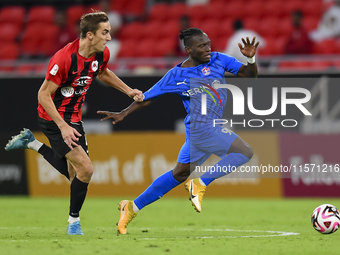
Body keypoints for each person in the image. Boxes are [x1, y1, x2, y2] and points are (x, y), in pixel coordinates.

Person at [97, 28, 259, 234]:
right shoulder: (176, 74)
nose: (208, 48)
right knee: (244, 152)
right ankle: (200, 183)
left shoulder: (219, 59)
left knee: (180, 173)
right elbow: (147, 98)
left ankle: (131, 207)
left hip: (204, 130)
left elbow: (249, 76)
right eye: (202, 46)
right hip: (202, 127)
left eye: (208, 43)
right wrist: (123, 113)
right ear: (189, 49)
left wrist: (251, 59)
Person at [4, 11, 143, 235]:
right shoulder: (64, 58)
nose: (109, 37)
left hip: (74, 118)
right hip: (53, 118)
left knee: (75, 174)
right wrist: (62, 126)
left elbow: (103, 72)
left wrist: (128, 91)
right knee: (86, 170)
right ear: (90, 35)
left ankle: (32, 143)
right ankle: (73, 223)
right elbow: (43, 95)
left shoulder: (101, 54)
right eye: (104, 32)